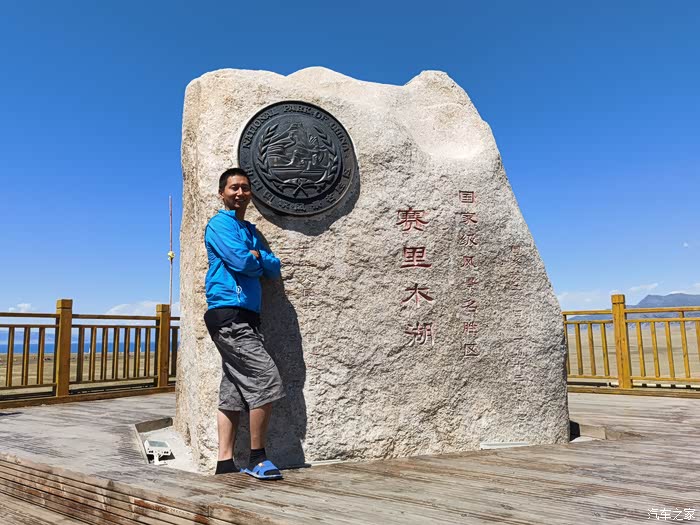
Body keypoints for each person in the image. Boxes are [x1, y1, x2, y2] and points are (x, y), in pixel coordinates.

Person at [203, 167, 285, 480]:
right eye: (234, 187)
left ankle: (225, 461)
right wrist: (255, 259)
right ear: (222, 193)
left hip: (246, 317)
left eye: (245, 188)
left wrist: (258, 257)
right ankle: (257, 458)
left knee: (234, 389)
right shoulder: (219, 224)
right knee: (266, 379)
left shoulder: (249, 230)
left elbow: (273, 268)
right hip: (229, 314)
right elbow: (241, 261)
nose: (240, 193)